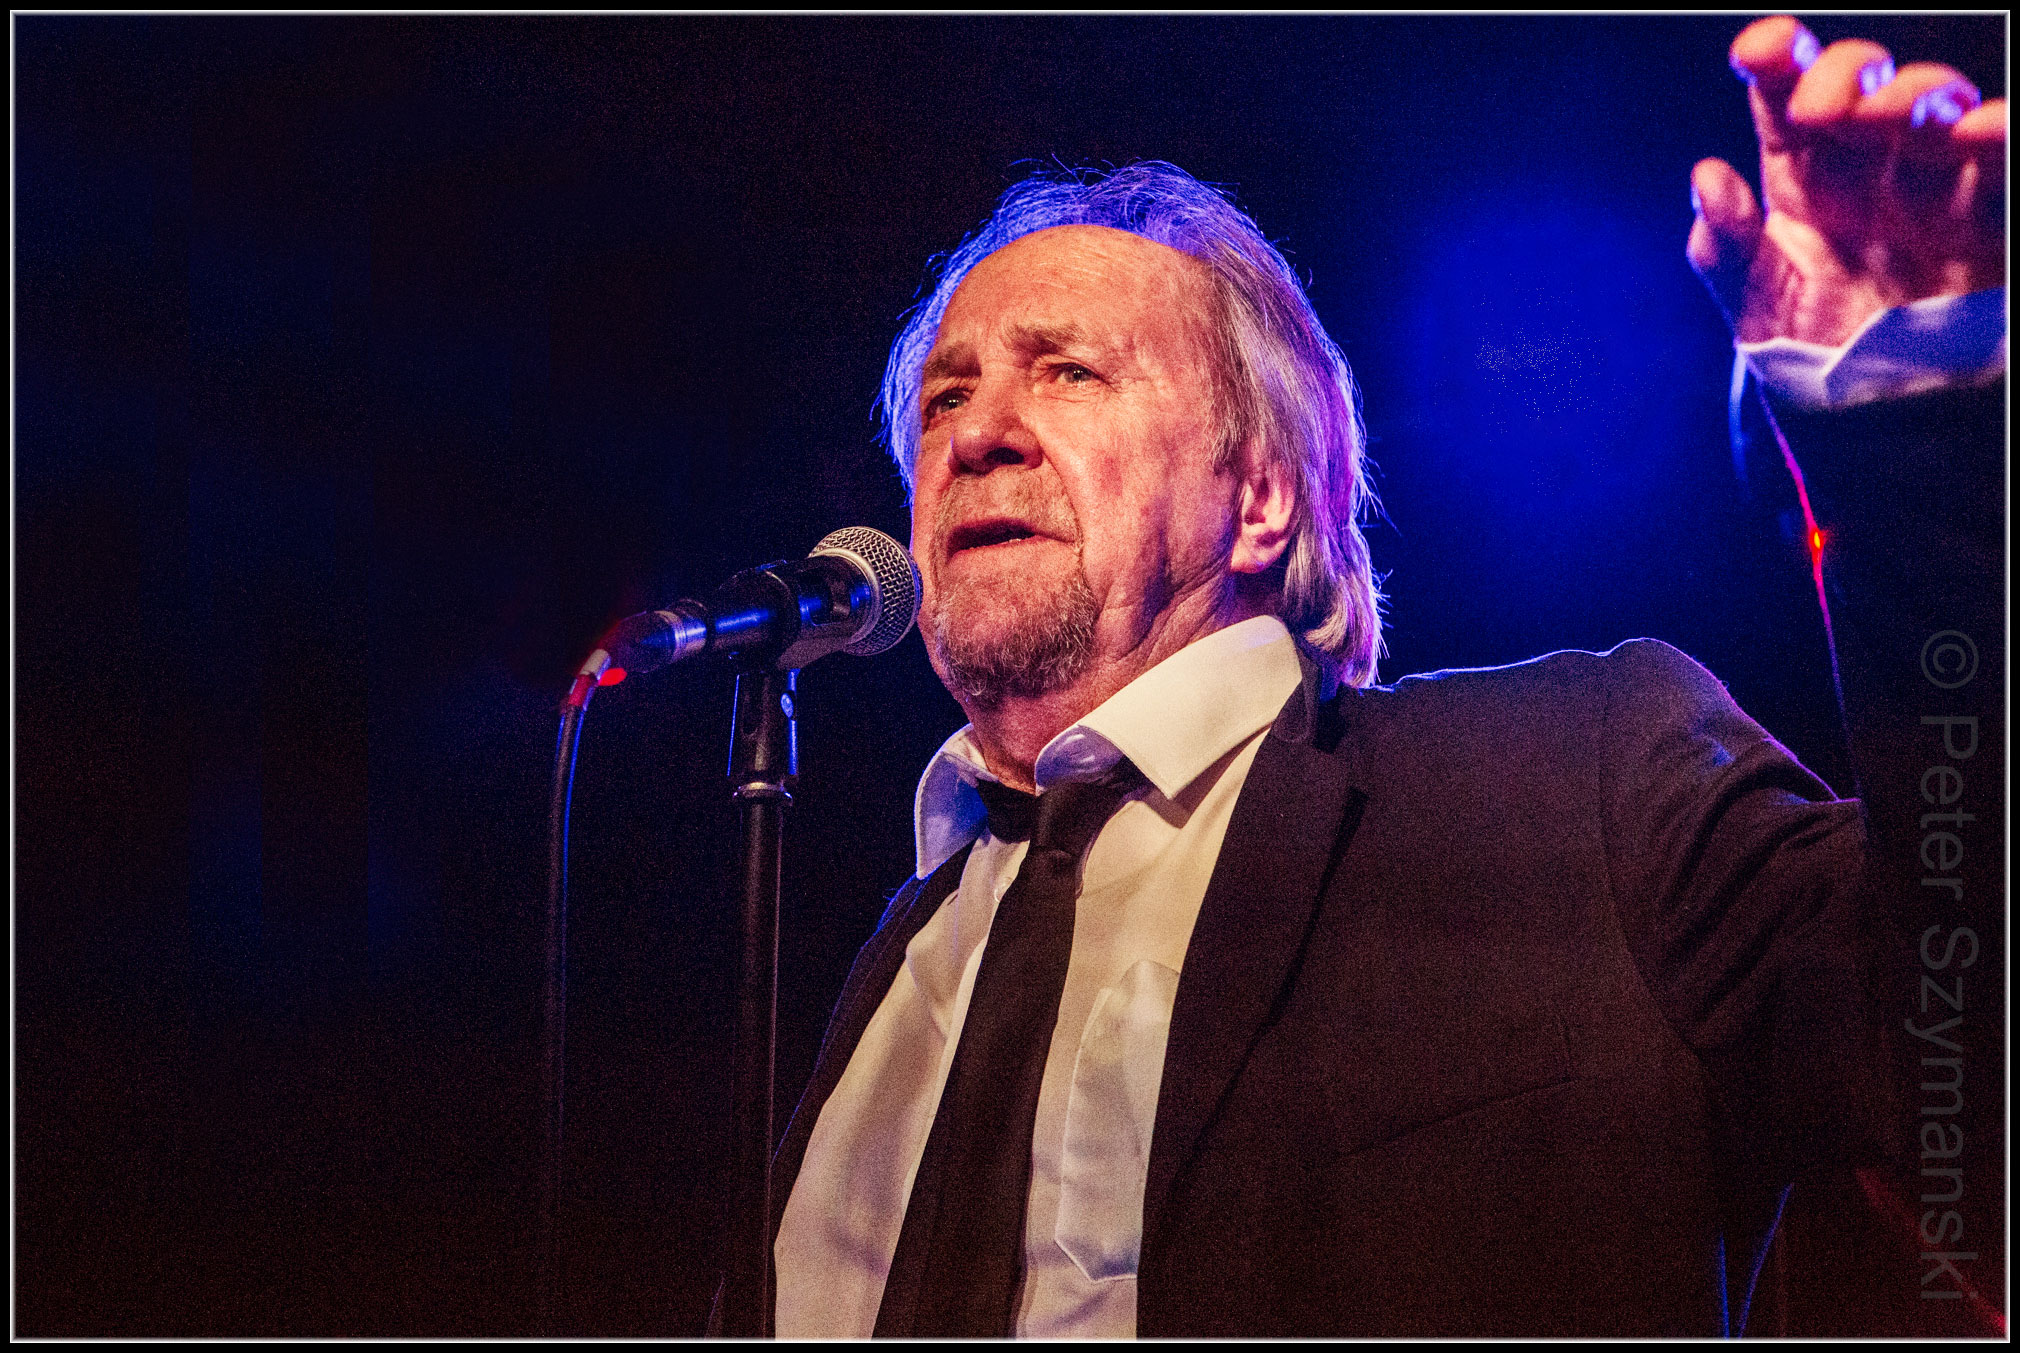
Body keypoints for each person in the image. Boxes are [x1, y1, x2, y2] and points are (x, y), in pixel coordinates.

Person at [766, 16, 2006, 1337]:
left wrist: (1921, 448)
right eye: (945, 398)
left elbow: (1961, 1074)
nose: (977, 435)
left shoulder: (1575, 788)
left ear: (1261, 499)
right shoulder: (888, 965)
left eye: (1068, 370)